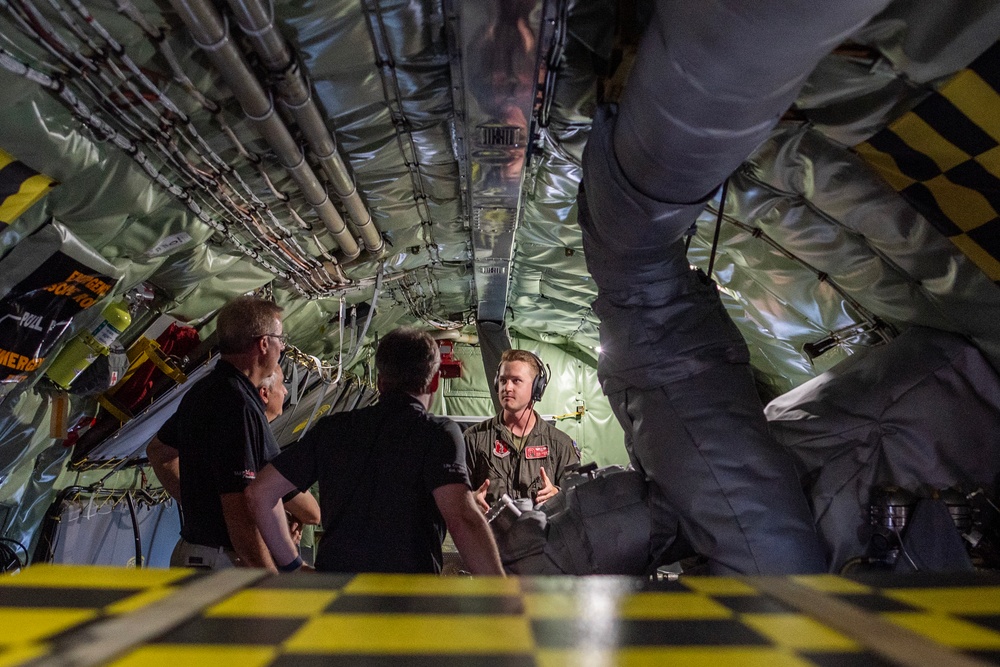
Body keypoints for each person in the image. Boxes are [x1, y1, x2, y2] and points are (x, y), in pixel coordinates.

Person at [247, 326, 504, 575]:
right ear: (434, 381)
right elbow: (462, 520)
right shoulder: (437, 434)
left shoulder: (333, 429)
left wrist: (292, 566)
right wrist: (503, 595)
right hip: (406, 597)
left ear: (380, 382)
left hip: (338, 594)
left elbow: (261, 492)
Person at [146, 296, 289, 570]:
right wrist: (268, 575)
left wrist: (199, 508)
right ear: (263, 343)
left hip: (197, 552)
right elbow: (238, 507)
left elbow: (159, 452)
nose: (282, 347)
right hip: (221, 561)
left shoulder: (203, 391)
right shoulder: (239, 406)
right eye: (280, 339)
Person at [464, 349, 580, 512]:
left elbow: (579, 504)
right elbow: (452, 498)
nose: (507, 388)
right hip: (491, 537)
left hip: (541, 537)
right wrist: (468, 502)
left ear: (536, 388)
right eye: (503, 380)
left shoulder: (560, 445)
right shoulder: (474, 440)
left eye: (516, 380)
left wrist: (559, 495)